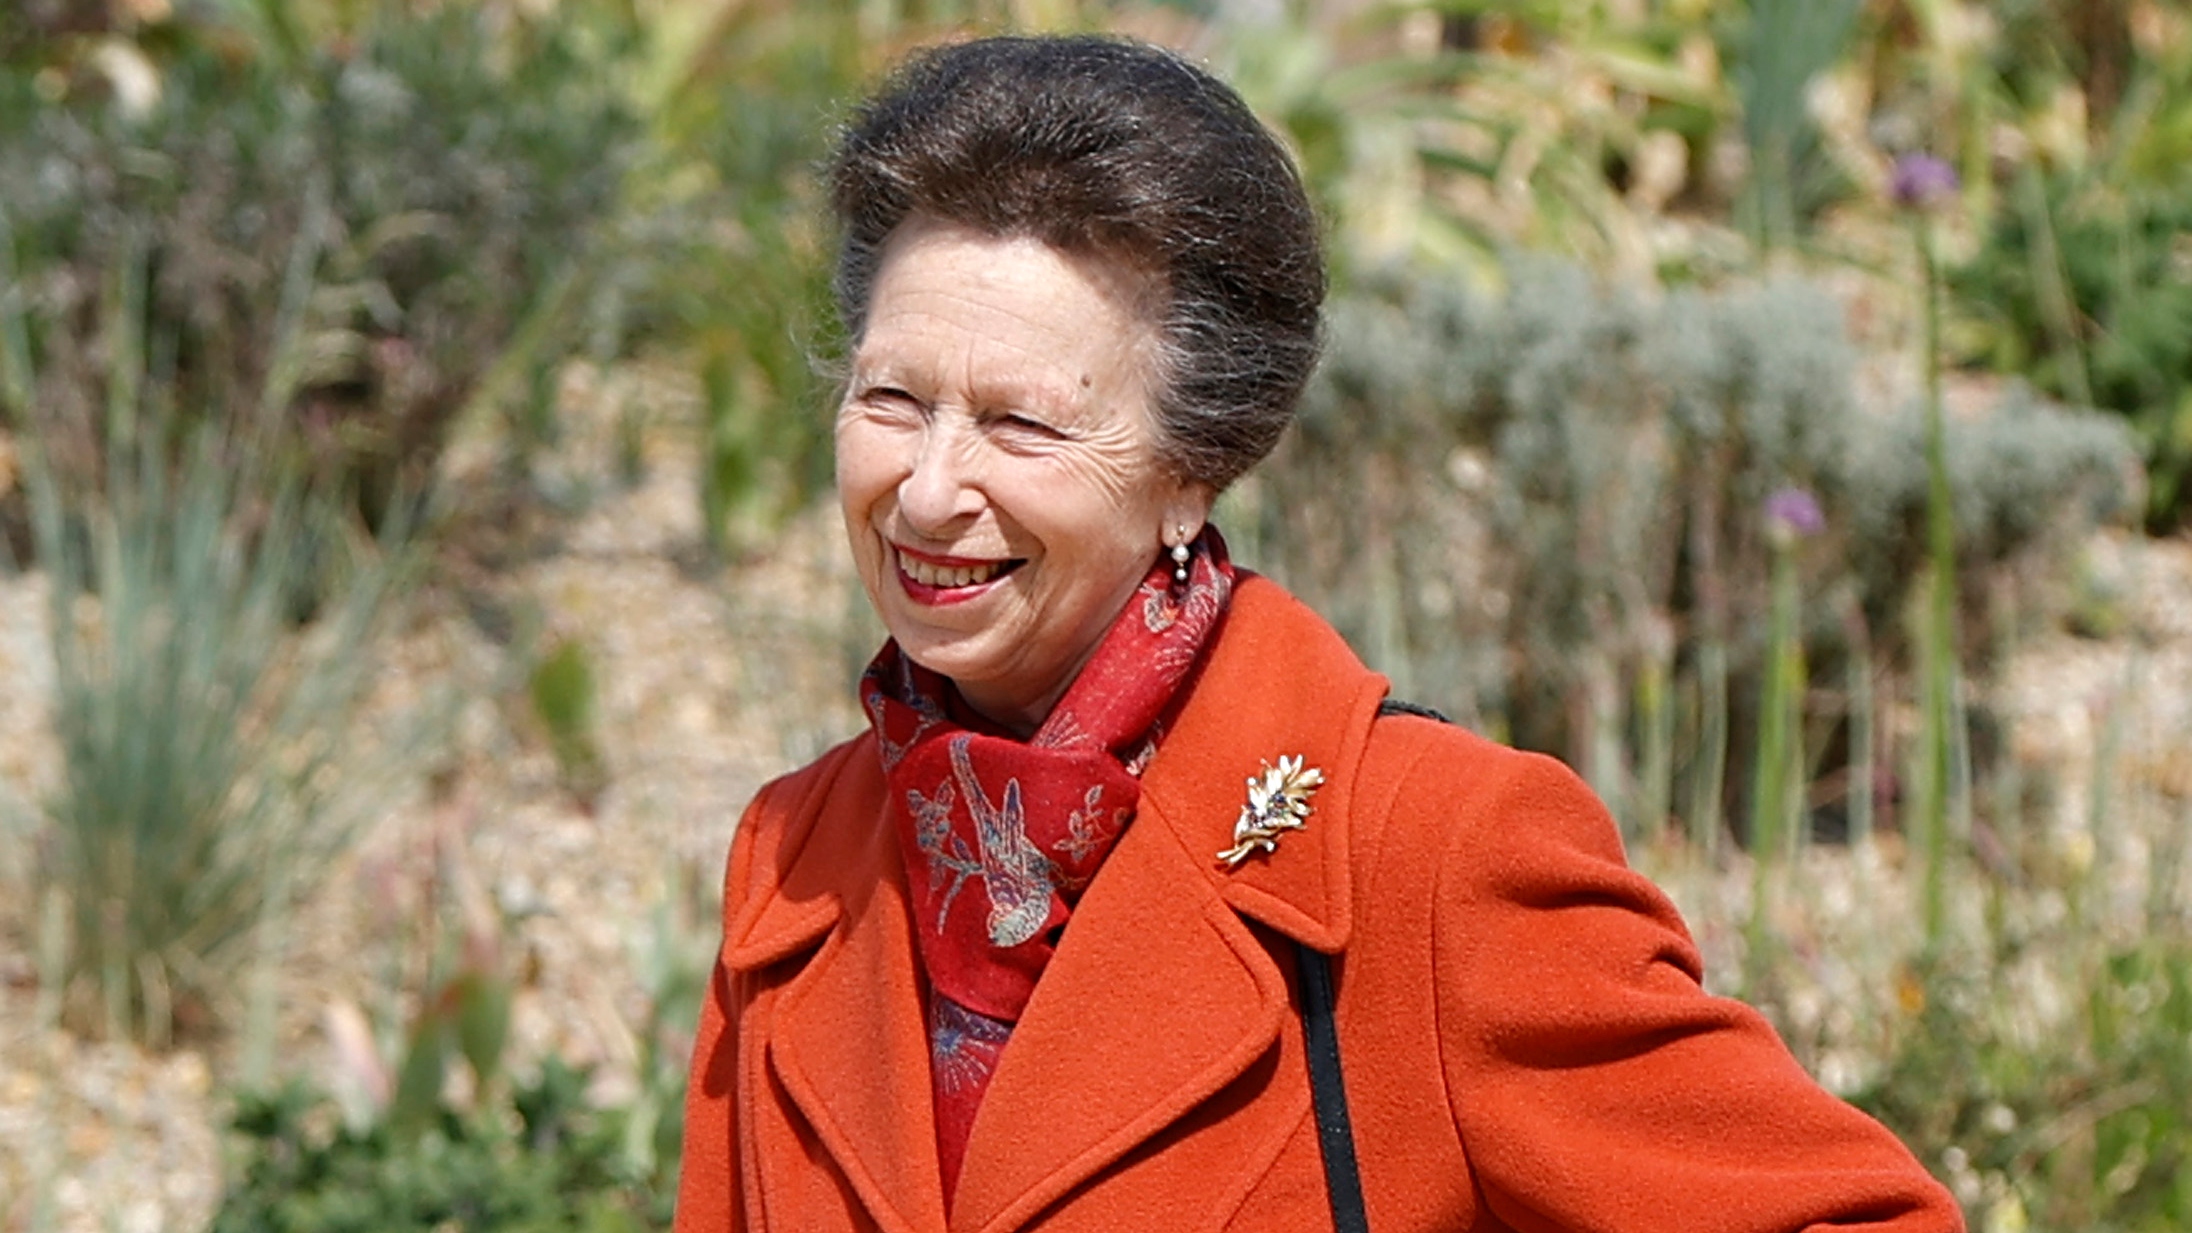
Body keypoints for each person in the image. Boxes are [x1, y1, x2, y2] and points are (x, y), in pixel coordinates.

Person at [677, 33, 1964, 1233]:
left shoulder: (1432, 854)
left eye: (1021, 424)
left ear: (1193, 468)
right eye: (890, 399)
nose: (926, 491)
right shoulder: (792, 861)